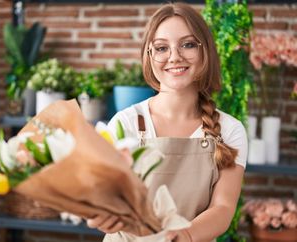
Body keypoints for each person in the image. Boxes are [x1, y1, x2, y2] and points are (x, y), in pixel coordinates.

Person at [87, 2, 248, 242]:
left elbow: (223, 208)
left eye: (188, 44)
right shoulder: (126, 123)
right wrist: (101, 213)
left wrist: (185, 235)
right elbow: (105, 199)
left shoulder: (230, 130)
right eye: (161, 48)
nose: (174, 57)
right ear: (149, 55)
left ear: (205, 51)